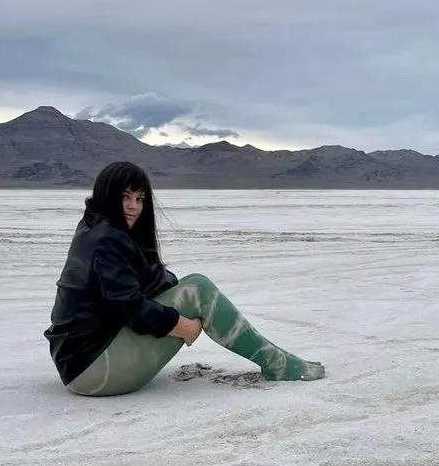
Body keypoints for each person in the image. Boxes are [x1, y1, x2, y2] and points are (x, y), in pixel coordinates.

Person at [43, 161, 325, 396]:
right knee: (199, 289)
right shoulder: (108, 241)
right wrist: (181, 326)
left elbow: (142, 282)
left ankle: (274, 359)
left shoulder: (94, 228)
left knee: (191, 286)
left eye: (139, 199)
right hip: (94, 370)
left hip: (76, 361)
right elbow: (130, 308)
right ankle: (275, 363)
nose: (133, 207)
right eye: (125, 197)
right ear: (108, 196)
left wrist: (170, 287)